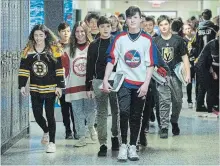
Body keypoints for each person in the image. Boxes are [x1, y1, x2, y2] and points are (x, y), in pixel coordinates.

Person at [102, 6, 157, 161]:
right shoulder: (119, 38)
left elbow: (150, 64)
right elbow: (111, 60)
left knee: (136, 115)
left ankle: (133, 146)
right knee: (124, 112)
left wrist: (146, 84)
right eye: (129, 17)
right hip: (124, 83)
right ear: (125, 20)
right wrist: (106, 79)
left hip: (140, 84)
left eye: (135, 17)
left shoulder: (147, 40)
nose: (132, 20)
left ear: (141, 19)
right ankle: (123, 145)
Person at [19, 24, 65, 153]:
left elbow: (59, 69)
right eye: (35, 35)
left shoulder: (54, 49)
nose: (38, 38)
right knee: (37, 114)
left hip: (51, 88)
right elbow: (23, 69)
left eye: (40, 35)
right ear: (32, 36)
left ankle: (52, 142)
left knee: (50, 114)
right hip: (35, 87)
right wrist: (22, 85)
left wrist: (59, 86)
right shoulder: (28, 50)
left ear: (45, 35)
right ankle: (46, 130)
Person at [86, 16, 119, 157]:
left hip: (116, 80)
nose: (105, 29)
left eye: (108, 26)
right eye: (102, 26)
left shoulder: (118, 42)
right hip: (99, 81)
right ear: (98, 28)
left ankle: (115, 136)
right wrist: (88, 86)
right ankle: (103, 143)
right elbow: (89, 66)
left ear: (111, 27)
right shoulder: (93, 45)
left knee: (117, 110)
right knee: (101, 113)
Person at [154, 15, 191, 139]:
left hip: (176, 75)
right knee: (164, 101)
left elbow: (185, 58)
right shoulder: (155, 41)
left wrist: (188, 74)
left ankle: (174, 120)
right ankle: (164, 127)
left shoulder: (178, 40)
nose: (163, 27)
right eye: (161, 25)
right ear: (158, 27)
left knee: (178, 101)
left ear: (169, 24)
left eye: (165, 24)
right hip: (161, 76)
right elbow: (152, 60)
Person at [64, 21, 97, 147]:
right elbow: (65, 69)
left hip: (89, 85)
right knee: (77, 112)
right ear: (74, 33)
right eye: (77, 31)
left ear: (86, 32)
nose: (80, 34)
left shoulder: (92, 46)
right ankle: (81, 136)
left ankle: (91, 127)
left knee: (90, 110)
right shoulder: (68, 49)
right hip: (74, 84)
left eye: (82, 31)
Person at [195, 9, 219, 112]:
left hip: (200, 56)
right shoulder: (214, 28)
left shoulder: (198, 28)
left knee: (201, 84)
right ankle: (211, 106)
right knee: (211, 85)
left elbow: (196, 44)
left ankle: (199, 103)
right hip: (209, 58)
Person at [57, 22, 78, 139]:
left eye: (68, 31)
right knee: (64, 108)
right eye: (64, 31)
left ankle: (76, 130)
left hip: (73, 80)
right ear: (59, 32)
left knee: (74, 107)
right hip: (62, 81)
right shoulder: (55, 46)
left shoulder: (74, 45)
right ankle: (68, 130)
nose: (66, 33)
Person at [183, 23, 196, 108]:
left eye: (189, 28)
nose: (188, 30)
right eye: (186, 29)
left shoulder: (195, 39)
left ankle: (198, 100)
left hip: (196, 62)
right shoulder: (183, 40)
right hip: (188, 64)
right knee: (189, 82)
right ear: (184, 31)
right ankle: (189, 100)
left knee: (198, 83)